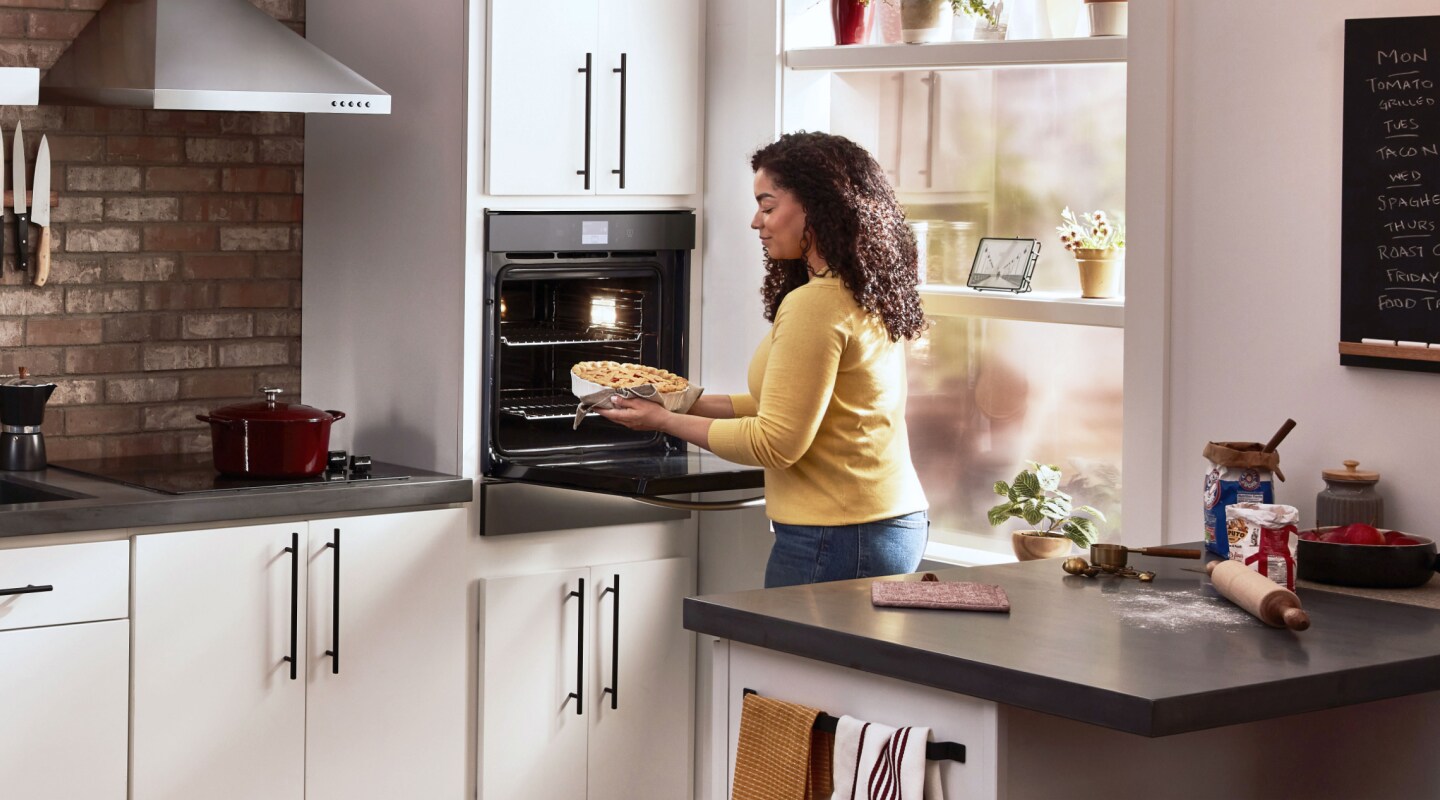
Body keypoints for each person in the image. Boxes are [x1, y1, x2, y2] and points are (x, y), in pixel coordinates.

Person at [597, 131, 929, 588]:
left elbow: (775, 442)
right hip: (870, 523)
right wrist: (676, 399)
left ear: (818, 206)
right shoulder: (855, 290)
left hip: (840, 534)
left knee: (790, 661)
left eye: (768, 206)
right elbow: (780, 407)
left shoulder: (816, 305)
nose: (757, 222)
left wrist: (662, 422)